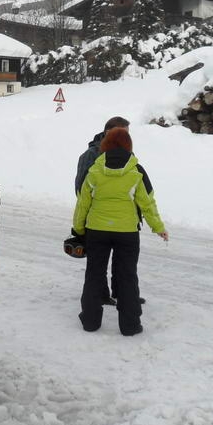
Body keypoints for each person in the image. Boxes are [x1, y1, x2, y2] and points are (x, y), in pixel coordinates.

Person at [72, 128, 167, 336]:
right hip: (127, 233)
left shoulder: (94, 171)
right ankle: (130, 325)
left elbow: (82, 204)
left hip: (97, 230)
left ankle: (90, 321)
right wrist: (158, 227)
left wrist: (78, 229)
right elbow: (147, 203)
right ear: (128, 145)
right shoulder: (136, 171)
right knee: (127, 276)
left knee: (94, 274)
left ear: (105, 145)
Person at [74, 116, 148, 307]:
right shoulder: (91, 155)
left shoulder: (124, 151)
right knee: (97, 264)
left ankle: (122, 293)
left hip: (124, 218)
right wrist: (84, 220)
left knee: (122, 263)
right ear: (109, 132)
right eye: (122, 132)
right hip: (97, 218)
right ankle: (101, 294)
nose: (126, 137)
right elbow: (81, 188)